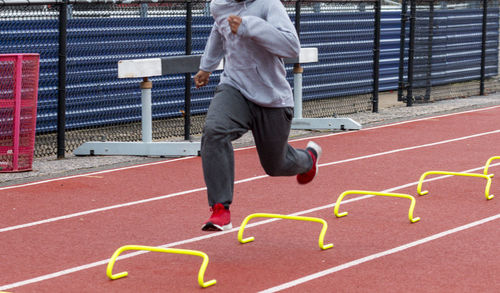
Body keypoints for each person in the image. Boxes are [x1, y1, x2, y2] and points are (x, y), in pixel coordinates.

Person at [194, 0, 322, 232]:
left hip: (272, 98)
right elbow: (218, 30)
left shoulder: (268, 5)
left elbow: (292, 47)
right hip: (235, 87)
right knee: (214, 131)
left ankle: (308, 160)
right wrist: (207, 66)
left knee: (276, 165)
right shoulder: (219, 5)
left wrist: (250, 27)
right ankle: (220, 208)